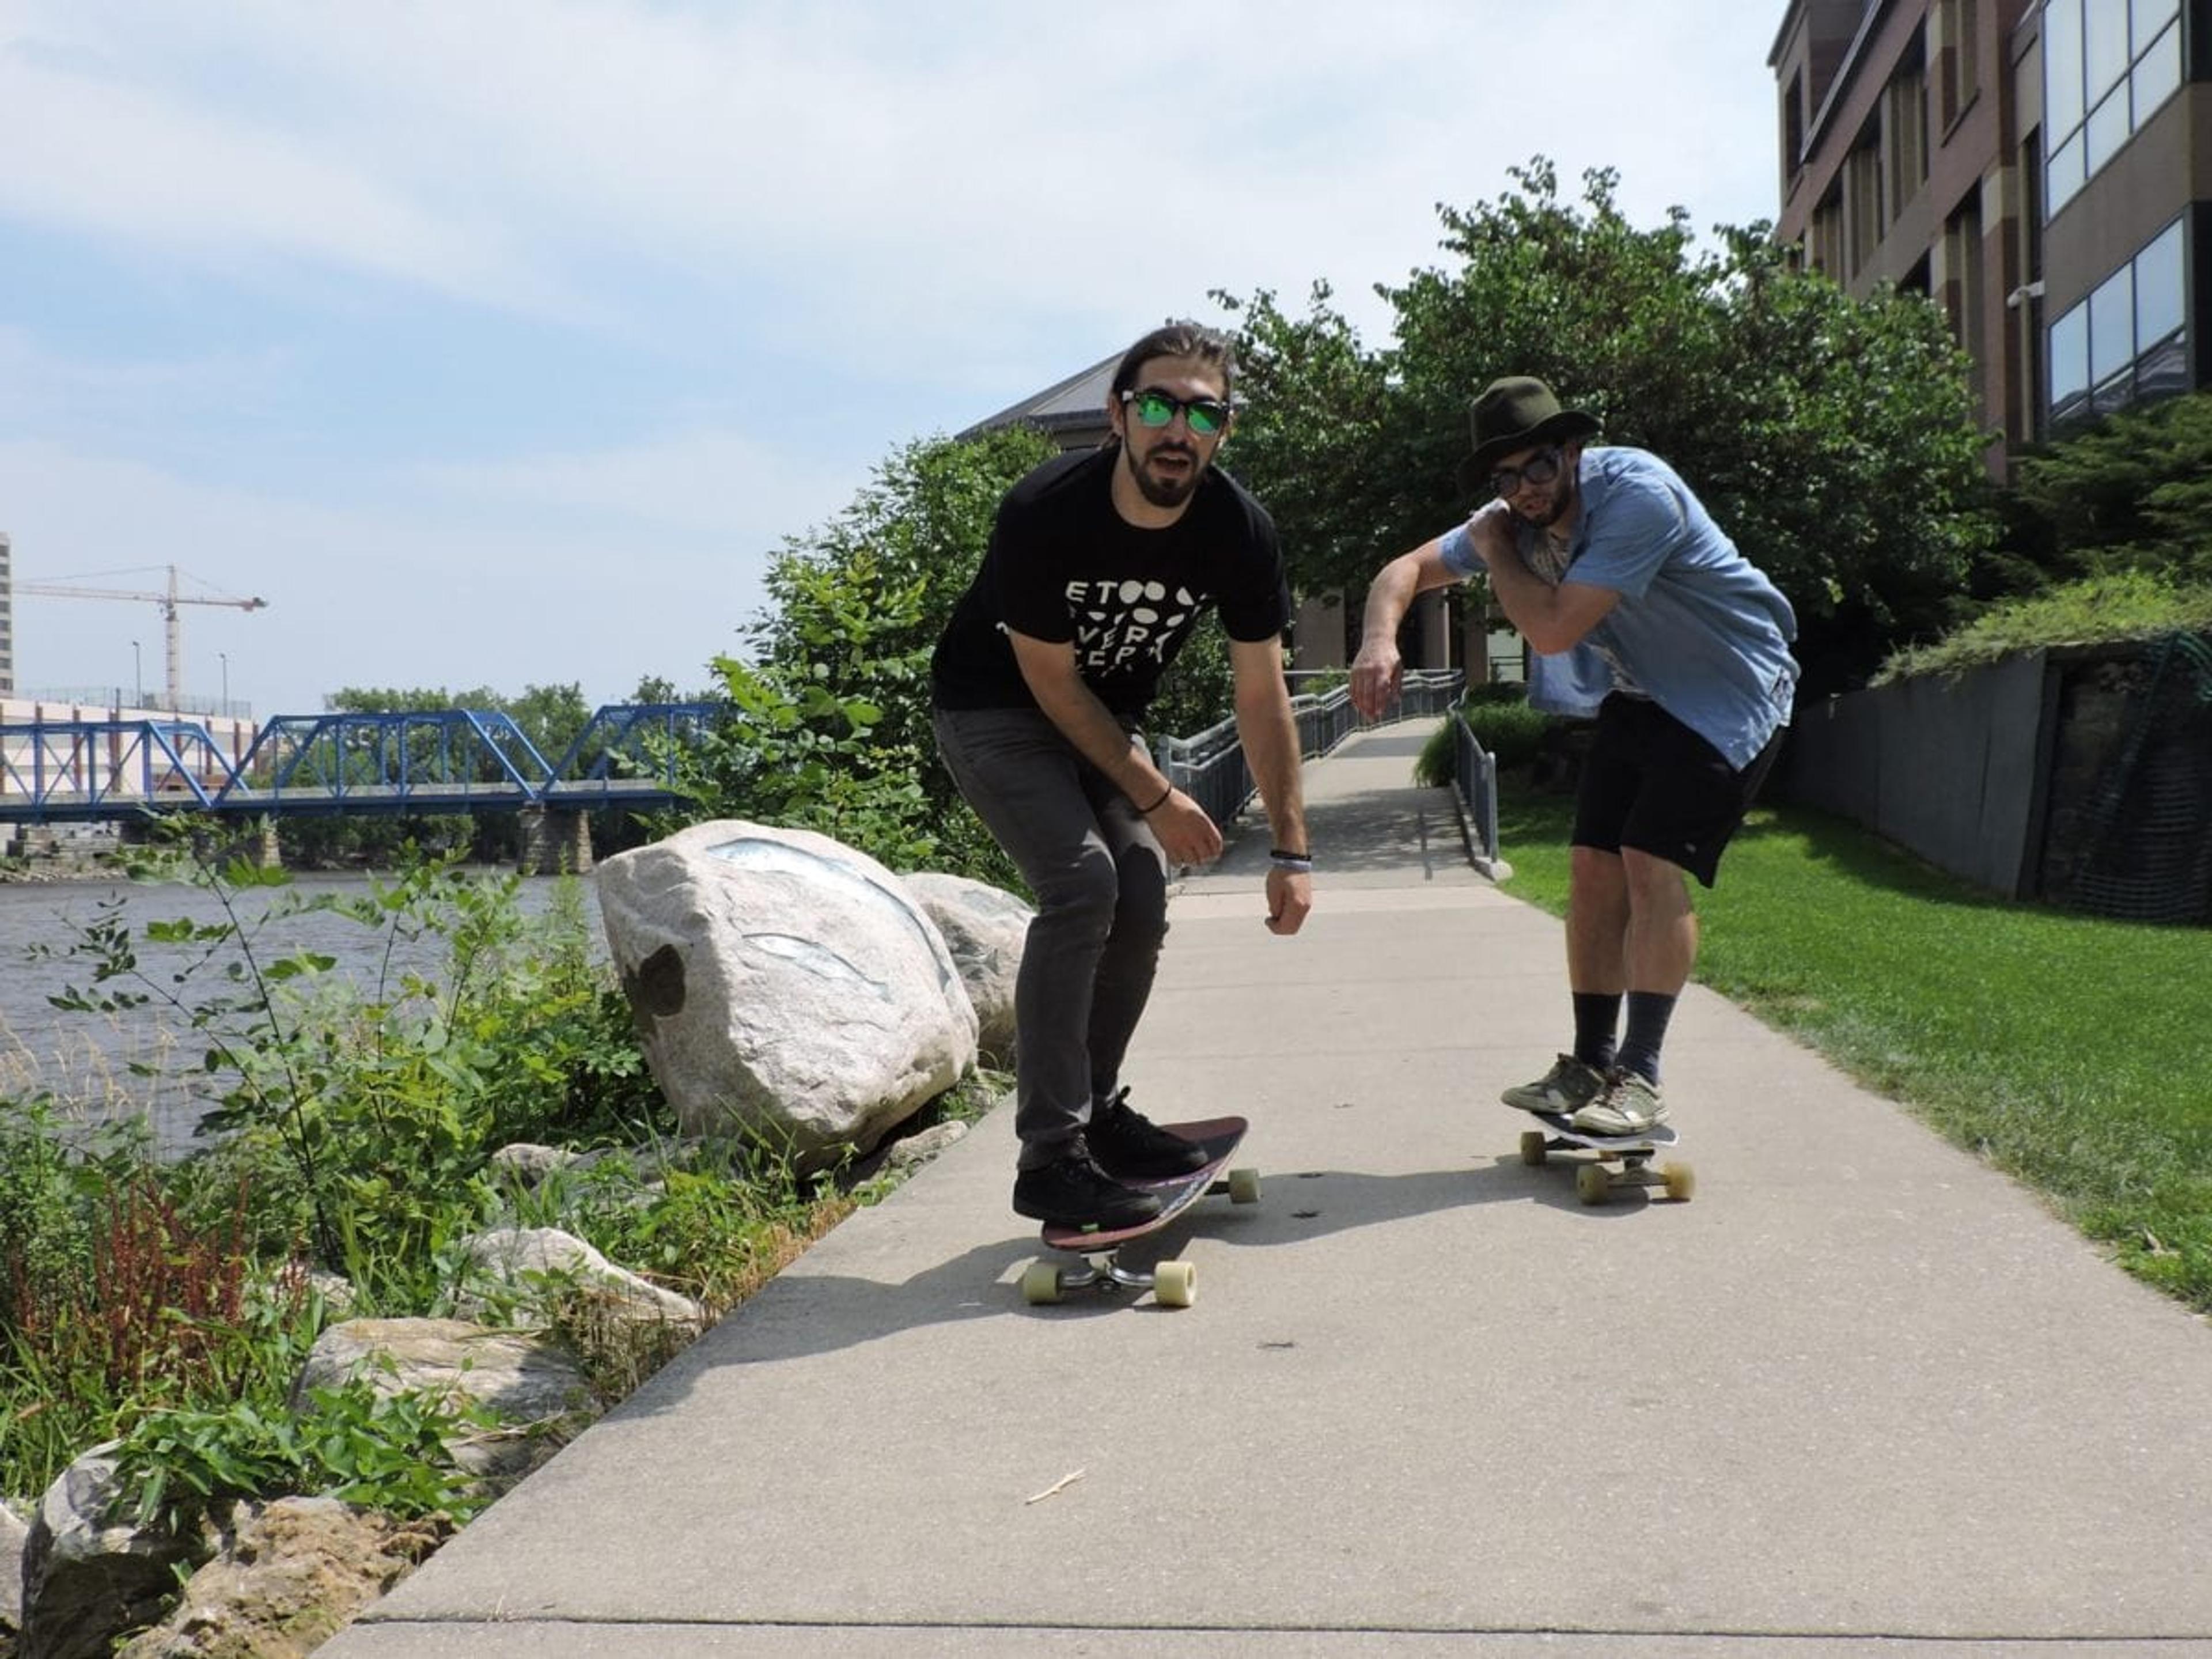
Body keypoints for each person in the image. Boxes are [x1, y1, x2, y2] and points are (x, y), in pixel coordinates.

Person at [931, 321, 1312, 1229]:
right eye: (1157, 405)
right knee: (1083, 884)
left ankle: (1097, 1116)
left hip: (1102, 723)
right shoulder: (1044, 510)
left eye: (1203, 414)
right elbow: (1050, 682)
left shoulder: (1239, 531)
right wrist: (1159, 793)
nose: (1178, 430)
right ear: (1118, 416)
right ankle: (1051, 1157)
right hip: (996, 708)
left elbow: (1263, 696)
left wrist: (1293, 851)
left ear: (1224, 431)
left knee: (1141, 894)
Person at [1351, 376, 1797, 1135]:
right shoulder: (1508, 525)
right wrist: (1378, 639)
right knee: (1592, 870)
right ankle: (1590, 1066)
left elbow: (1553, 630)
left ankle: (1641, 1078)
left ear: (1573, 453)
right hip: (1641, 695)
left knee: (1649, 860)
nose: (1525, 490)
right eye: (1506, 477)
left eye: (1539, 468)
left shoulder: (1637, 497)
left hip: (1731, 694)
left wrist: (1492, 549)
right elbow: (1401, 572)